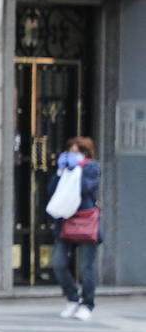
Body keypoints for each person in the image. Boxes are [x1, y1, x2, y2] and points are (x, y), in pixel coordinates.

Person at [49, 136, 102, 321]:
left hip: (85, 221)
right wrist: (60, 172)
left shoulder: (92, 167)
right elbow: (52, 191)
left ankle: (87, 304)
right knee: (58, 263)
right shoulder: (64, 169)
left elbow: (86, 189)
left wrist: (76, 169)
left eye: (76, 152)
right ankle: (72, 298)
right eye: (69, 151)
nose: (71, 155)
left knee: (86, 267)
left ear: (85, 153)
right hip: (65, 221)